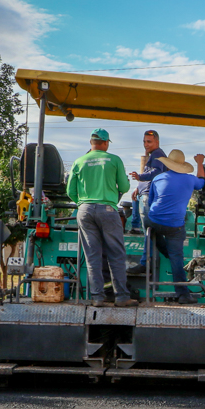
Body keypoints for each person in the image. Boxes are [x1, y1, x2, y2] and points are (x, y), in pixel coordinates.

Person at [66, 128, 138, 308]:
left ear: (91, 143)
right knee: (116, 254)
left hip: (84, 211)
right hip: (108, 210)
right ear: (105, 143)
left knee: (92, 256)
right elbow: (124, 186)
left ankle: (97, 298)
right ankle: (121, 297)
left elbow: (70, 191)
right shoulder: (114, 160)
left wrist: (82, 203)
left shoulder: (79, 161)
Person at [146, 149, 205, 303]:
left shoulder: (158, 178)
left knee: (152, 230)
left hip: (154, 221)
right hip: (174, 226)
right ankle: (183, 295)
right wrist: (200, 162)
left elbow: (150, 202)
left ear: (168, 164)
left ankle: (148, 260)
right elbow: (202, 182)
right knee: (176, 257)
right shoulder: (189, 180)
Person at [127, 130, 167, 272]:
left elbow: (156, 172)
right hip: (145, 194)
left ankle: (145, 263)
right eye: (144, 141)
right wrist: (138, 187)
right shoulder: (154, 155)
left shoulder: (157, 154)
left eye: (149, 141)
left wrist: (140, 177)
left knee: (149, 232)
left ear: (157, 142)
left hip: (149, 197)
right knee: (148, 231)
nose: (146, 144)